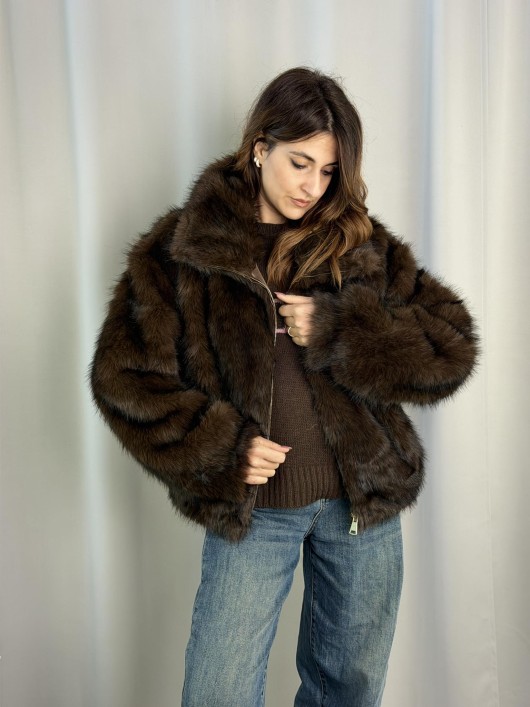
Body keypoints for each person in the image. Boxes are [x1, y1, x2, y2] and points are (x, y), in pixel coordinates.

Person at [90, 67, 478, 707]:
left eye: (328, 172)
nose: (312, 187)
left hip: (361, 506)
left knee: (348, 691)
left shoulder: (356, 244)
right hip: (256, 512)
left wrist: (340, 328)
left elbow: (451, 345)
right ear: (259, 147)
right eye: (300, 163)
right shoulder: (183, 251)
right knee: (218, 692)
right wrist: (222, 448)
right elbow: (121, 377)